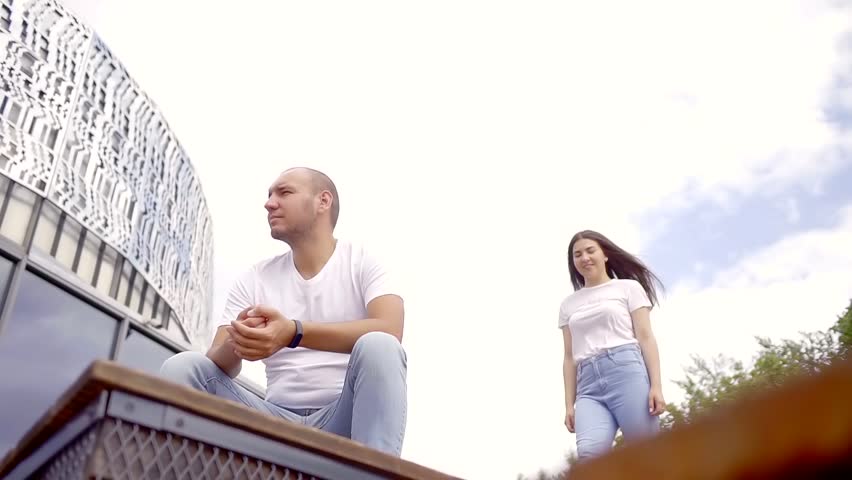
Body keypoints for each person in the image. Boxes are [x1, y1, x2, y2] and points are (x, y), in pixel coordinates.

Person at [160, 167, 407, 456]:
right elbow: (218, 361)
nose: (269, 203)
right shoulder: (256, 277)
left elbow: (390, 329)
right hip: (273, 422)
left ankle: (375, 472)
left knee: (379, 345)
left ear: (322, 201)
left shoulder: (363, 262)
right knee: (183, 366)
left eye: (284, 192)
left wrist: (293, 332)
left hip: (345, 418)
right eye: (268, 195)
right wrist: (239, 340)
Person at [558, 230, 666, 460]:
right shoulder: (568, 305)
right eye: (577, 255)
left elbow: (646, 337)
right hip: (588, 387)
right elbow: (569, 357)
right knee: (589, 457)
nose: (584, 258)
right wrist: (569, 404)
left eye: (590, 250)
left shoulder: (628, 288)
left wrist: (656, 385)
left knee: (647, 453)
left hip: (626, 372)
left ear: (604, 254)